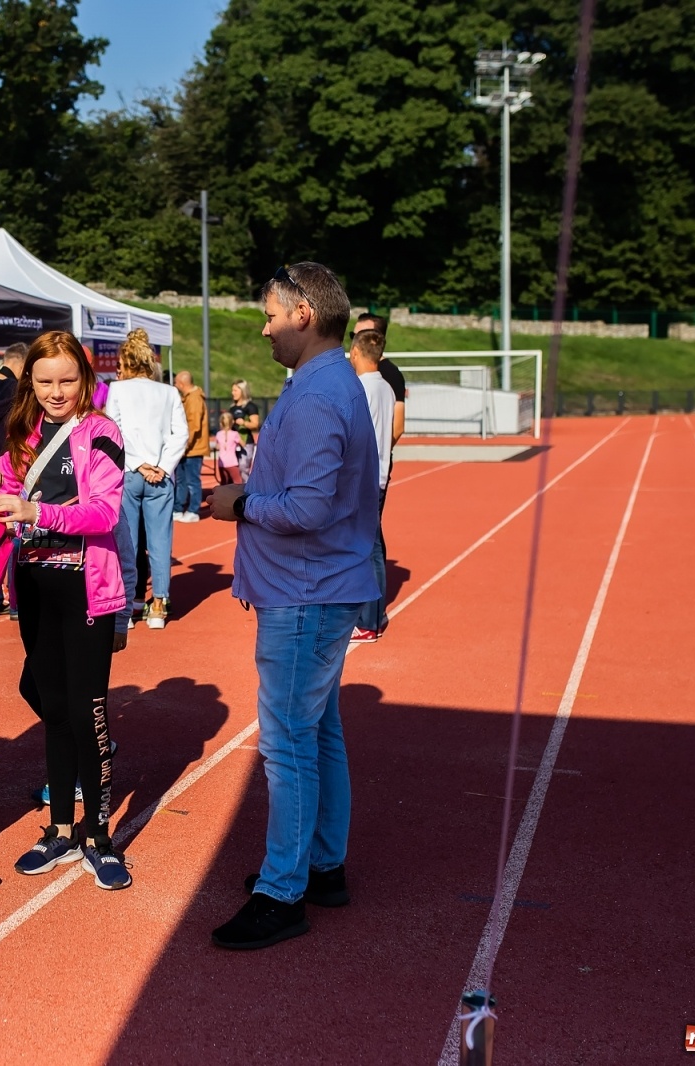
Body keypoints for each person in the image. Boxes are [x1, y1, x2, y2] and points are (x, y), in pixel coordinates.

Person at [207, 262, 379, 950]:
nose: (265, 328)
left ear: (303, 314)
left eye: (271, 315)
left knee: (286, 742)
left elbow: (306, 508)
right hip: (318, 587)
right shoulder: (330, 382)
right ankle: (322, 865)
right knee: (318, 730)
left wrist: (239, 502)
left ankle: (284, 891)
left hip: (305, 591)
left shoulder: (315, 394)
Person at [0, 330, 132, 891]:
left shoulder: (101, 432)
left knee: (86, 711)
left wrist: (37, 512)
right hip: (33, 588)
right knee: (53, 711)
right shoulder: (21, 437)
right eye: (45, 381)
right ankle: (61, 829)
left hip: (86, 592)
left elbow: (105, 513)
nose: (56, 392)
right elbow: (5, 499)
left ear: (85, 379)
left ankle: (99, 837)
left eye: (67, 380)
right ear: (30, 380)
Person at [102, 330, 186, 630]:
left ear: (126, 361)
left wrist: (139, 463)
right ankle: (159, 604)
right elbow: (181, 434)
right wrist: (162, 466)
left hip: (129, 474)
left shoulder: (117, 390)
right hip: (160, 477)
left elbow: (114, 432)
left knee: (128, 542)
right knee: (160, 541)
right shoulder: (169, 392)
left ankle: (129, 604)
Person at [348, 329, 394, 642]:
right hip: (377, 475)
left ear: (355, 353)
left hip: (362, 478)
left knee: (365, 550)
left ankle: (368, 621)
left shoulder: (361, 388)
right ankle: (373, 615)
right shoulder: (386, 388)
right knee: (373, 548)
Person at [354, 314, 405, 448]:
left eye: (363, 335)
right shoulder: (354, 370)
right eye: (353, 335)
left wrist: (380, 453)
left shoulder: (391, 374)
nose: (355, 340)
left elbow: (398, 427)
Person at [173, 370, 208, 522]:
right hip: (186, 449)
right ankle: (178, 508)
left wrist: (184, 445)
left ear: (181, 384)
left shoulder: (194, 399)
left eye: (176, 383)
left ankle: (194, 510)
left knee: (192, 481)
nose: (175, 385)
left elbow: (194, 426)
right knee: (181, 480)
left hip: (193, 449)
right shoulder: (187, 398)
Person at [228, 379, 261, 479]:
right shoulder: (232, 408)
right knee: (233, 469)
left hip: (246, 443)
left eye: (235, 390)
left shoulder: (250, 406)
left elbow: (255, 424)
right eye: (232, 390)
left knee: (243, 469)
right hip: (232, 443)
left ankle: (245, 488)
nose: (232, 393)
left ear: (242, 391)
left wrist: (244, 423)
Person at [212, 411, 244, 486]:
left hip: (221, 463)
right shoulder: (235, 434)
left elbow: (217, 446)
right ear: (232, 422)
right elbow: (243, 444)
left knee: (224, 482)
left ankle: (223, 493)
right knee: (238, 481)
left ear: (221, 423)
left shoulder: (218, 434)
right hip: (232, 462)